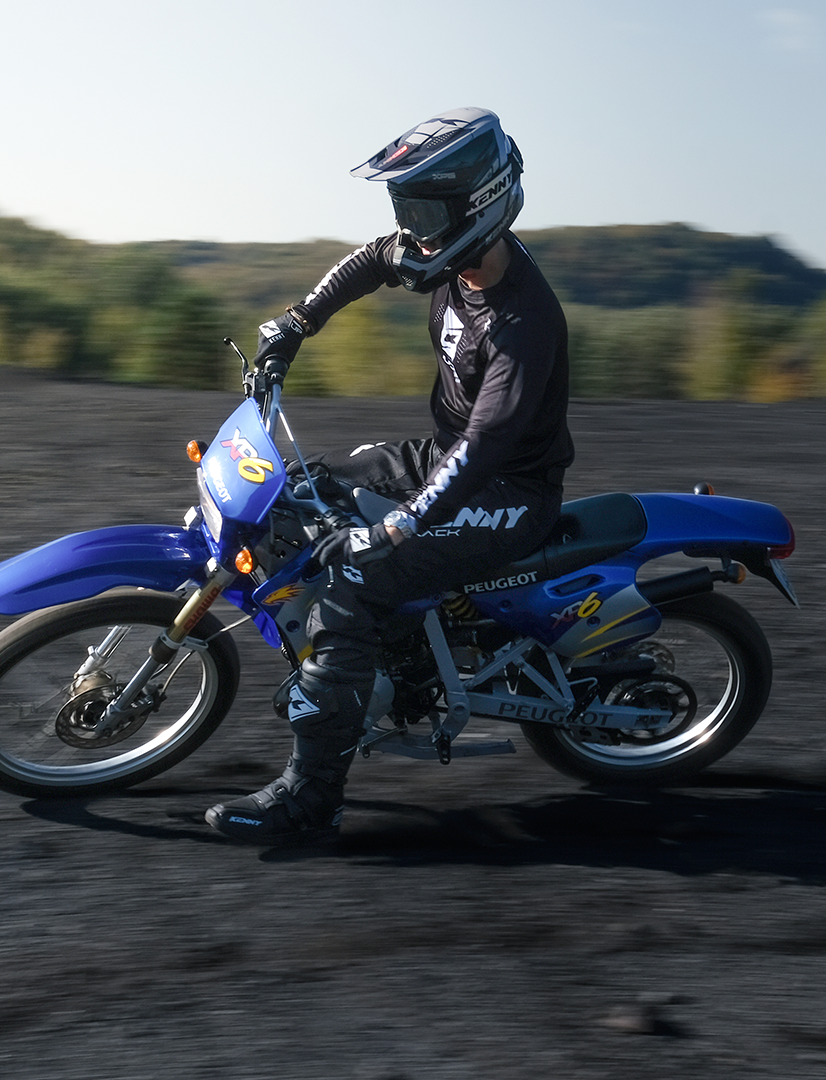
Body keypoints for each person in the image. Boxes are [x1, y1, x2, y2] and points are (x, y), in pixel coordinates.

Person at [205, 107, 575, 846]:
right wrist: (297, 324)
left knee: (353, 580)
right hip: (447, 456)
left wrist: (396, 528)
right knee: (299, 490)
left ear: (478, 206)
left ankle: (313, 798)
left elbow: (485, 448)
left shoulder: (524, 323)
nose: (412, 229)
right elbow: (373, 259)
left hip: (506, 491)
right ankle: (377, 656)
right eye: (406, 208)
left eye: (424, 211)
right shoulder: (450, 255)